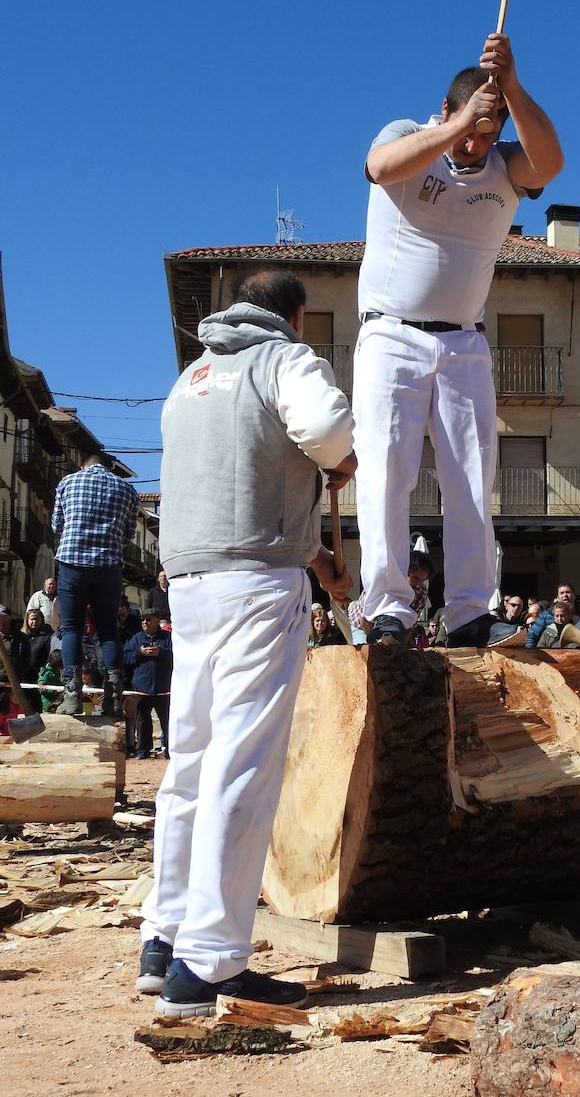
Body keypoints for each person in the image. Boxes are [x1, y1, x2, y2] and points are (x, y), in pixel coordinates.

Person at [140, 267, 356, 1017]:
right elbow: (326, 432)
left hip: (191, 583)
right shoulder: (285, 358)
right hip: (258, 586)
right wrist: (341, 461)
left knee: (191, 765)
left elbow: (239, 480)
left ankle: (162, 937)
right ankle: (207, 966)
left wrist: (319, 560)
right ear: (294, 316)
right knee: (243, 768)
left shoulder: (192, 377)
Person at [354, 35, 563, 648]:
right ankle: (388, 608)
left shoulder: (505, 164)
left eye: (486, 132)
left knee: (472, 476)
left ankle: (471, 610)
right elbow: (380, 167)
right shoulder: (409, 134)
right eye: (469, 129)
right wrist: (458, 128)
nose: (476, 146)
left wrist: (513, 89)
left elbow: (549, 162)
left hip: (464, 343)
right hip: (391, 335)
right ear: (443, 112)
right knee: (387, 470)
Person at [51, 453, 139, 716]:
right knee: (109, 631)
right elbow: (128, 534)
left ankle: (72, 696)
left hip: (72, 564)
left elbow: (57, 524)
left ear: (83, 465)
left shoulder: (68, 482)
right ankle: (112, 698)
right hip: (108, 567)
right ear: (111, 468)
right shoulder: (127, 490)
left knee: (72, 629)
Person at [348, 549, 433, 646]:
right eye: (415, 578)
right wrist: (376, 643)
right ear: (404, 571)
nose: (418, 584)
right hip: (361, 624)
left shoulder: (421, 592)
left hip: (393, 628)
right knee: (366, 655)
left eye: (422, 580)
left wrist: (401, 646)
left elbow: (410, 625)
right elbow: (364, 622)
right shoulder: (383, 581)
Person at [124, 611, 172, 758]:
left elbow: (178, 657)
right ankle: (142, 750)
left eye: (148, 619)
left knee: (168, 721)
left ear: (157, 621)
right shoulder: (136, 639)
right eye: (143, 620)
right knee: (142, 720)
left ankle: (171, 750)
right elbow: (125, 658)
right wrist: (139, 652)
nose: (145, 622)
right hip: (142, 688)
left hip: (164, 688)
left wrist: (161, 653)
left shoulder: (168, 638)